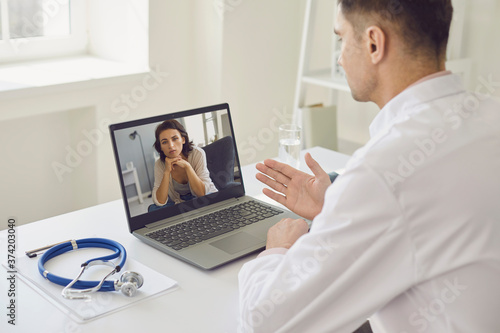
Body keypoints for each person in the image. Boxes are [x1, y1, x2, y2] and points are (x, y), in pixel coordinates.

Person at [238, 1, 500, 332]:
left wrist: (276, 252)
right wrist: (335, 206)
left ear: (374, 43)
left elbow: (267, 323)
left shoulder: (384, 172)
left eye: (341, 39)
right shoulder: (490, 115)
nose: (339, 57)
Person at [150, 120, 217, 211]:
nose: (171, 145)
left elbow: (202, 193)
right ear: (160, 147)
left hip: (204, 196)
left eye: (175, 139)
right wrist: (166, 172)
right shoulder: (159, 164)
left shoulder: (197, 153)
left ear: (183, 139)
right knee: (153, 209)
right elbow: (160, 201)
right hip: (180, 202)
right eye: (165, 142)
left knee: (208, 200)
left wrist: (188, 167)